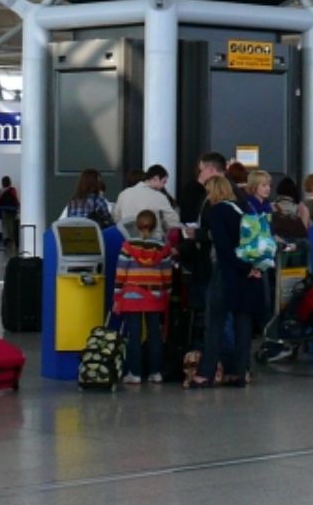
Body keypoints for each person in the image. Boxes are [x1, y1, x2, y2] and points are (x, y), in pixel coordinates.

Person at [188, 174, 263, 388]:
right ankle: (240, 372)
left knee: (215, 322)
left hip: (227, 272)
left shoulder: (218, 211)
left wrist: (241, 267)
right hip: (252, 272)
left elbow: (222, 246)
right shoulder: (246, 208)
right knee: (243, 323)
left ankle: (206, 373)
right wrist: (252, 267)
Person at [113, 209, 174, 384]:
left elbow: (121, 273)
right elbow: (167, 273)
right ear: (155, 226)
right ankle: (155, 372)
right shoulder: (163, 246)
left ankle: (135, 373)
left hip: (132, 296)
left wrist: (117, 296)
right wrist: (167, 292)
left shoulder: (128, 246)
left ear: (137, 226)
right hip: (155, 296)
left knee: (134, 335)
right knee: (155, 334)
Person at [114, 164, 182, 231]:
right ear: (156, 178)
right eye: (163, 182)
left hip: (128, 238)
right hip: (154, 240)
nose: (163, 186)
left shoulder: (123, 194)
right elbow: (173, 222)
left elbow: (117, 218)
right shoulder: (159, 197)